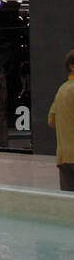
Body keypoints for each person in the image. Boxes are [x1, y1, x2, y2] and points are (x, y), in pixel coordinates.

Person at [47, 50, 74, 192]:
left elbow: (51, 121)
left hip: (64, 156)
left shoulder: (61, 90)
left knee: (68, 203)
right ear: (72, 66)